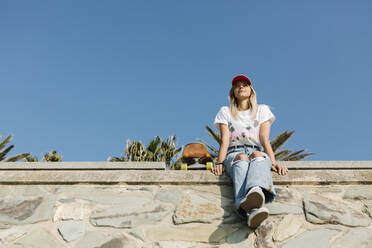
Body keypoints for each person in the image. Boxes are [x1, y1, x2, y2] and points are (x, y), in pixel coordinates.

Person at [212, 74, 288, 228]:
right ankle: (247, 204)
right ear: (233, 91)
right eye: (237, 85)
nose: (241, 87)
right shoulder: (225, 111)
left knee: (257, 155)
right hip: (234, 151)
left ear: (251, 90)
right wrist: (219, 162)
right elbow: (225, 139)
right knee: (241, 157)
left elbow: (264, 139)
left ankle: (253, 196)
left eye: (245, 84)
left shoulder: (262, 110)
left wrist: (273, 162)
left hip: (256, 150)